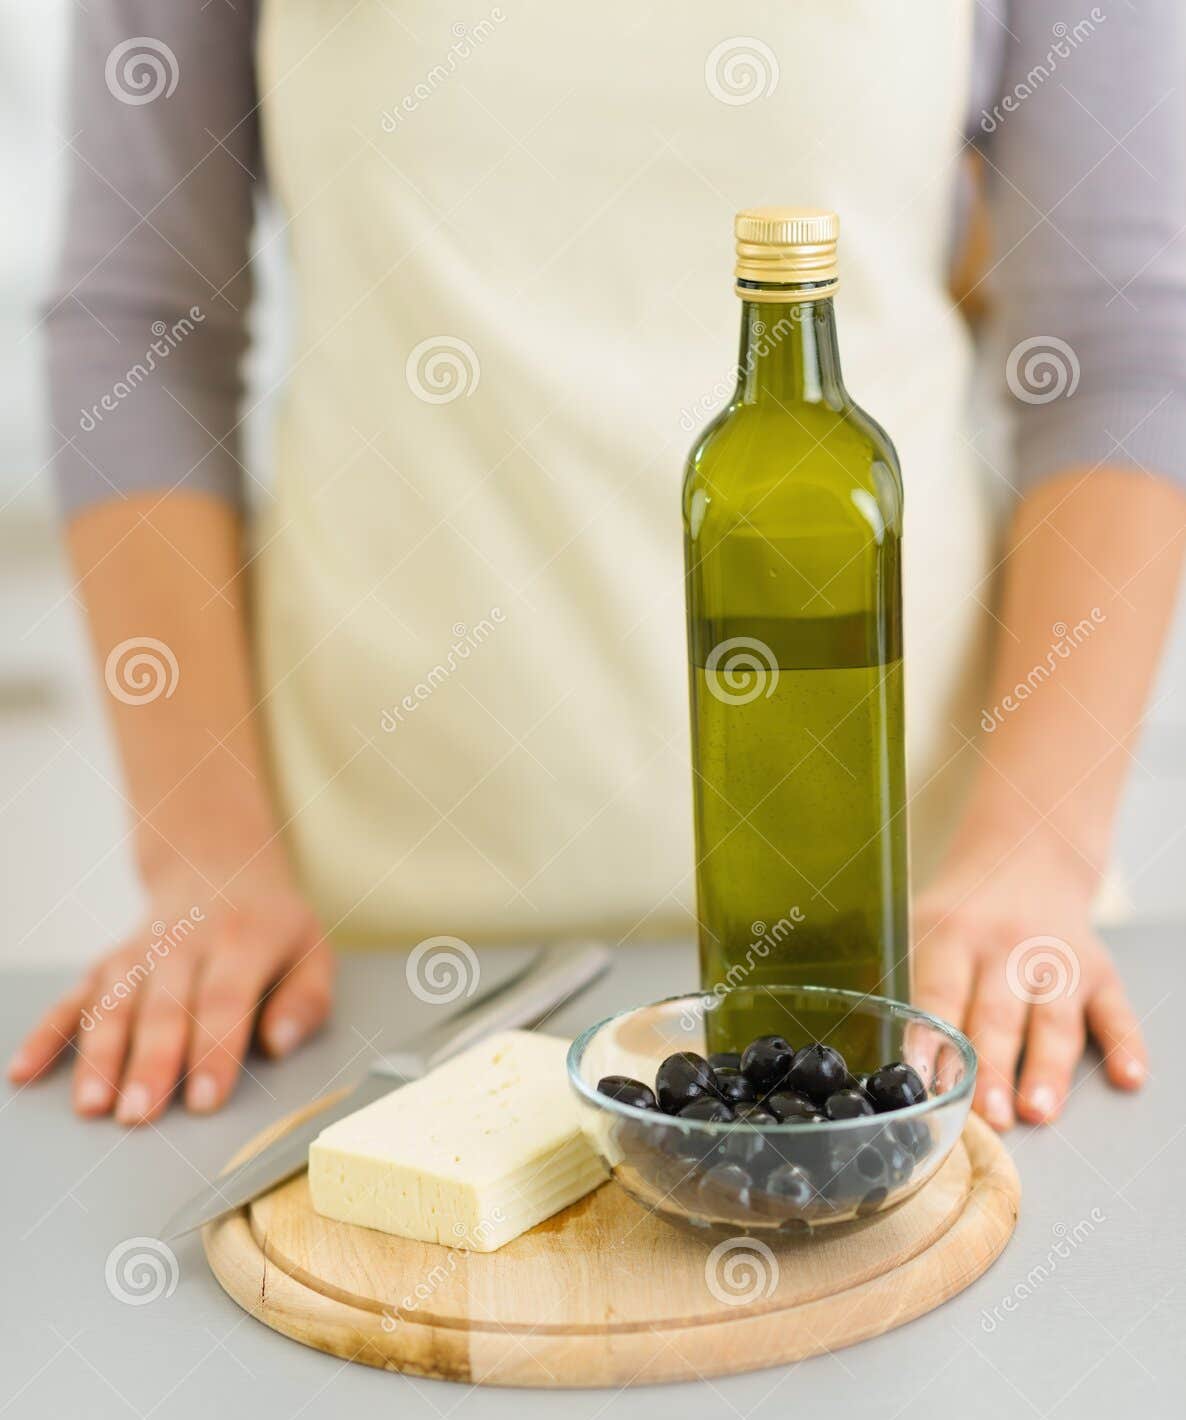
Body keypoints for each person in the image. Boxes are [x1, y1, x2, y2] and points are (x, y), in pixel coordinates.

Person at [11, 0, 1185, 1132]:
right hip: (366, 971)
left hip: (915, 977)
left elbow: (1120, 347)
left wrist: (1037, 847)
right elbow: (143, 322)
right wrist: (204, 853)